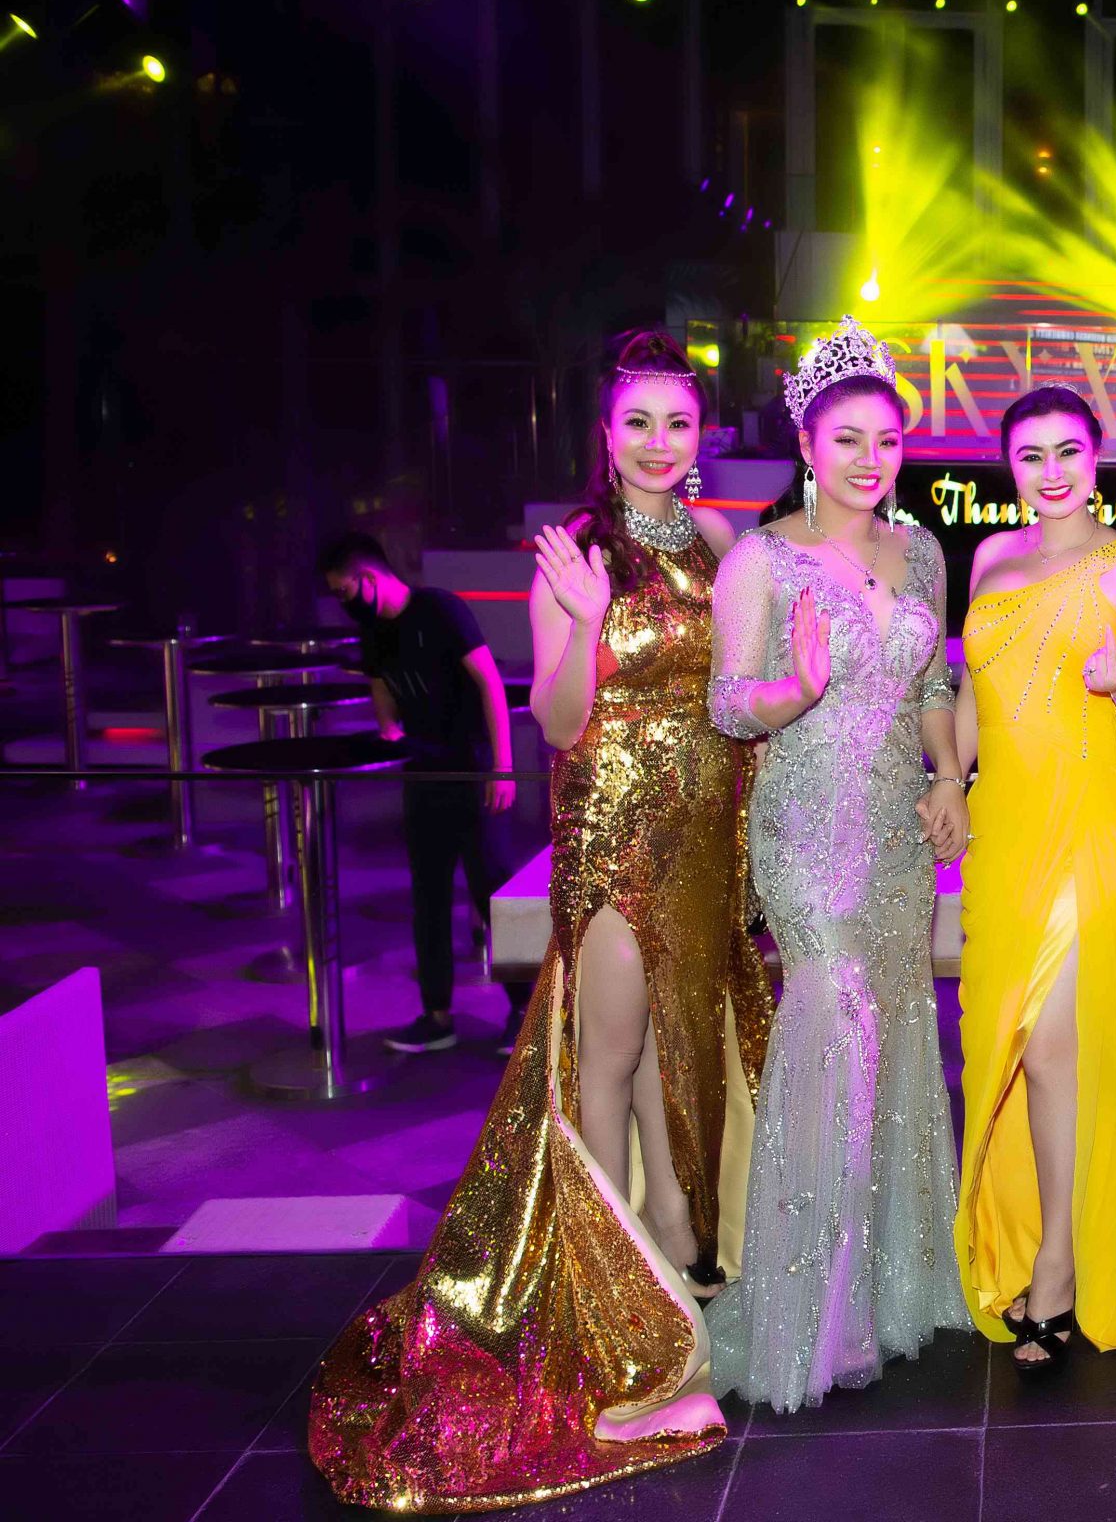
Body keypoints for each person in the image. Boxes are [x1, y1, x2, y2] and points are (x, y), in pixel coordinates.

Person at [309, 332, 769, 1509]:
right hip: (611, 831)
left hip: (702, 837)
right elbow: (558, 722)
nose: (659, 443)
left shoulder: (722, 545)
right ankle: (609, 1305)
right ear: (604, 438)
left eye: (678, 423)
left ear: (701, 436)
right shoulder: (575, 553)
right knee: (606, 1062)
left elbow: (737, 704)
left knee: (677, 1052)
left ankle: (675, 1268)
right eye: (637, 423)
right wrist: (585, 614)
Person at [705, 318, 973, 1410]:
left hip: (902, 840)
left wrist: (949, 778)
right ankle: (807, 1319)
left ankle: (885, 1292)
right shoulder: (760, 560)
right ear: (808, 446)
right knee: (834, 1033)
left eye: (888, 440)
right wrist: (798, 689)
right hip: (808, 836)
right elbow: (730, 704)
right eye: (847, 439)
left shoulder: (923, 553)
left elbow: (933, 683)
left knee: (896, 1047)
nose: (870, 459)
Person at [953, 384, 1116, 1375]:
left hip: (1092, 827)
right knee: (1007, 1044)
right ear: (1010, 466)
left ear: (1096, 459)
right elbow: (975, 692)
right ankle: (1039, 1240)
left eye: (1068, 453)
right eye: (1031, 455)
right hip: (1003, 834)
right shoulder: (989, 559)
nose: (1051, 472)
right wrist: (948, 782)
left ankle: (1057, 1264)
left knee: (1052, 1051)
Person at [319, 534, 517, 1053]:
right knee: (428, 897)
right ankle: (436, 1016)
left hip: (471, 770)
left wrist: (502, 767)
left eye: (343, 591)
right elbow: (380, 683)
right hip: (422, 774)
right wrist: (388, 727)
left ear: (368, 578)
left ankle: (527, 1012)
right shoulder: (375, 632)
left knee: (496, 894)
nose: (343, 603)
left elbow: (489, 683)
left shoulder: (440, 609)